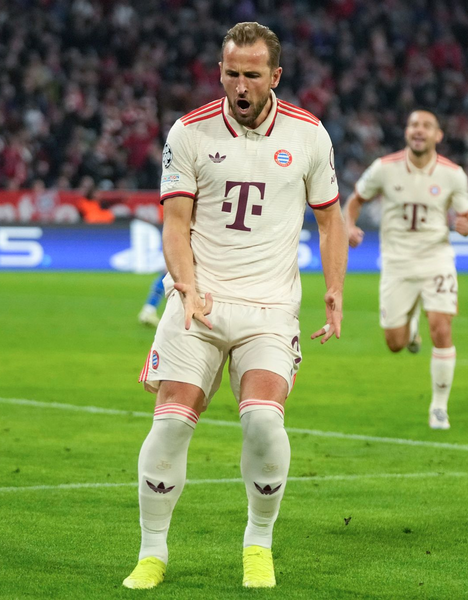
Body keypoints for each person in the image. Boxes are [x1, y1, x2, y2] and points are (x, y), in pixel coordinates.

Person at [123, 22, 347, 590]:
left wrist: (334, 289)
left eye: (251, 75)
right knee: (172, 424)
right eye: (230, 74)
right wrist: (186, 286)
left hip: (270, 307)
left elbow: (330, 221)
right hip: (199, 301)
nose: (240, 86)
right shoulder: (189, 132)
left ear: (275, 75)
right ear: (219, 71)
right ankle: (152, 553)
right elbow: (174, 224)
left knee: (263, 419)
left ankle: (259, 544)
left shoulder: (309, 135)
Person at [344, 110, 468, 430]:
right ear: (407, 132)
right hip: (397, 263)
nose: (419, 130)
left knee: (442, 328)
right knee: (395, 343)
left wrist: (466, 226)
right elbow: (355, 200)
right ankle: (410, 326)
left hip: (437, 259)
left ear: (438, 135)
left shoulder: (452, 174)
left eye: (427, 126)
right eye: (414, 125)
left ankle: (439, 407)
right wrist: (348, 225)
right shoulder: (384, 168)